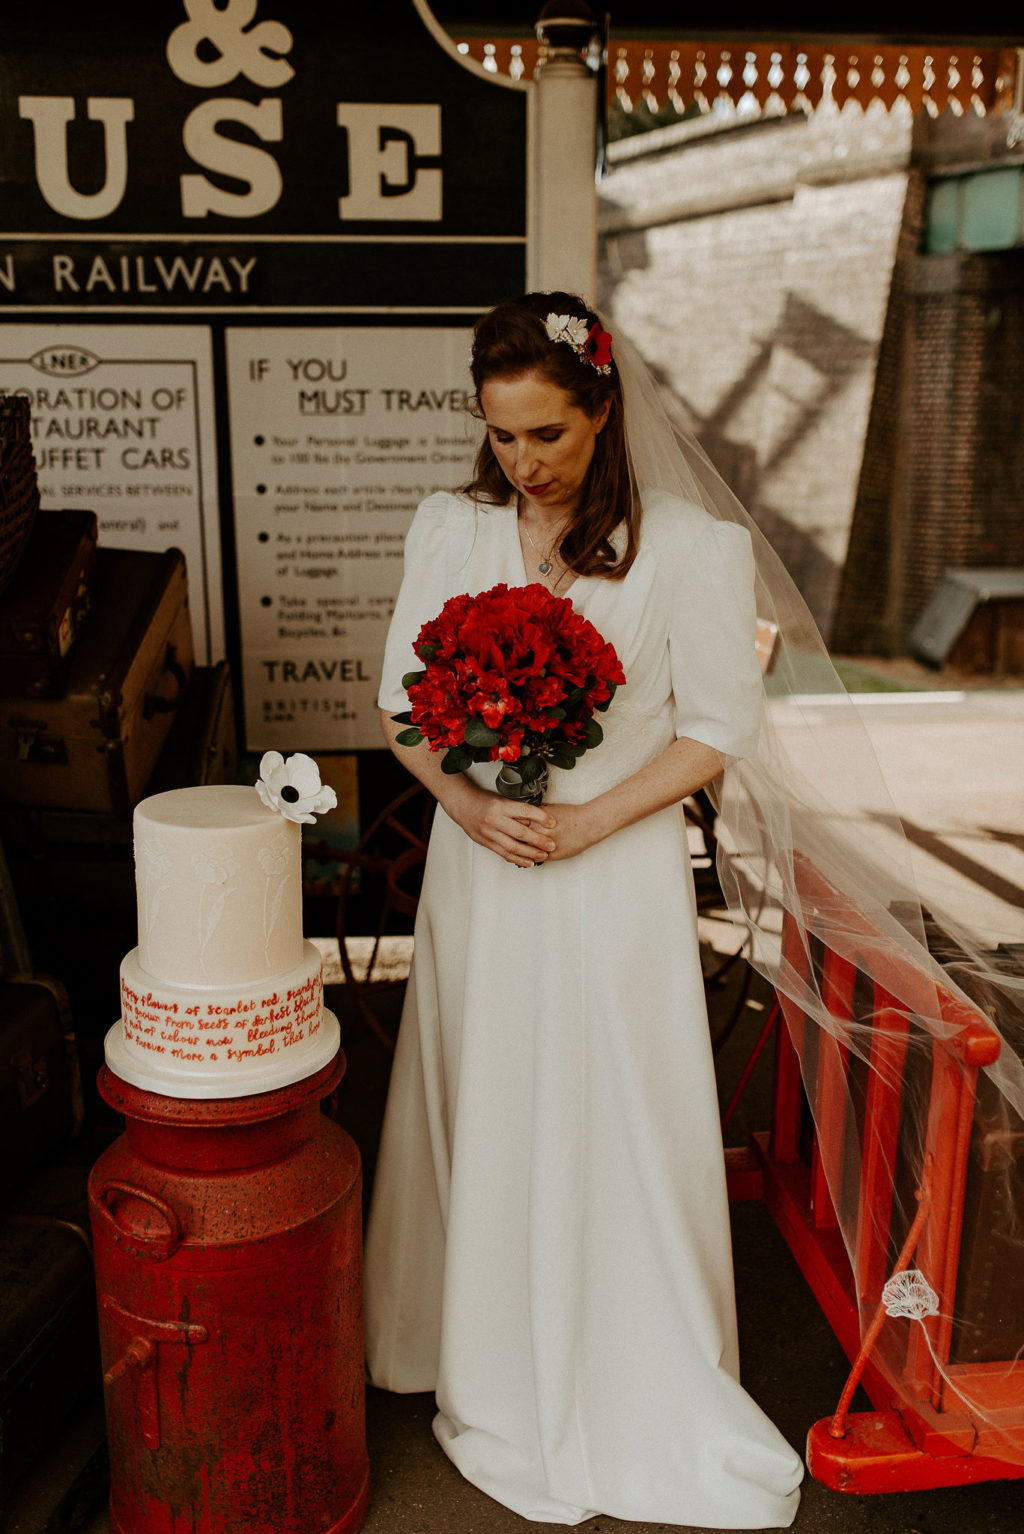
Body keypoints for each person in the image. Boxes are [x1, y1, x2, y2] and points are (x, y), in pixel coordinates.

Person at [363, 290, 804, 1527]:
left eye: (548, 435)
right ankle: (476, 1338)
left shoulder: (690, 548)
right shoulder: (450, 530)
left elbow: (718, 728)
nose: (524, 464)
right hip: (482, 869)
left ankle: (624, 1359)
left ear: (604, 412)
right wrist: (461, 800)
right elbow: (399, 704)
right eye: (502, 435)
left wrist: (588, 822)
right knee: (488, 1086)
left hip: (607, 875)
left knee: (606, 1100)